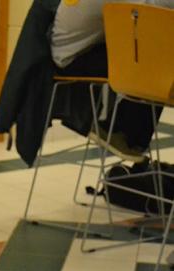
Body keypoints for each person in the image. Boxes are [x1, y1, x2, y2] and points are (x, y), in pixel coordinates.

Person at [49, 0, 172, 160]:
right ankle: (122, 134)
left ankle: (130, 136)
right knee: (149, 65)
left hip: (77, 49)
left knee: (152, 59)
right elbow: (150, 7)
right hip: (72, 59)